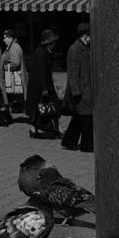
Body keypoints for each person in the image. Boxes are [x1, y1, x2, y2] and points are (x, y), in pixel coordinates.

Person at [61, 22, 94, 153]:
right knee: (86, 118)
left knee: (78, 118)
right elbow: (73, 73)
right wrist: (76, 92)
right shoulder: (75, 49)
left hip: (85, 89)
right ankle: (87, 145)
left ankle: (68, 141)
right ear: (85, 35)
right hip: (81, 90)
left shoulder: (85, 48)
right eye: (90, 35)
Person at [25, 29, 62, 138]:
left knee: (45, 107)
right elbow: (41, 71)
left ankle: (40, 128)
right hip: (41, 85)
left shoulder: (43, 52)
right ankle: (52, 128)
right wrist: (44, 88)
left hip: (42, 84)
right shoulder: (41, 53)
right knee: (49, 106)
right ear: (49, 43)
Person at [2, 29, 26, 117]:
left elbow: (15, 63)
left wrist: (5, 67)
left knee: (20, 98)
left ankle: (34, 117)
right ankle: (7, 116)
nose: (3, 40)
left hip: (14, 79)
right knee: (11, 98)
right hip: (14, 80)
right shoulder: (12, 47)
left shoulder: (14, 48)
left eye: (5, 38)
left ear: (10, 38)